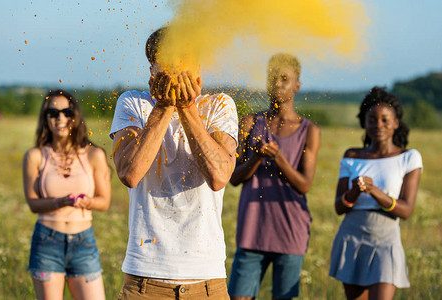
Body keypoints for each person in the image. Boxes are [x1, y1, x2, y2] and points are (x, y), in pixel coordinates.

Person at [110, 27, 238, 299]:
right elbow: (130, 173)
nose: (177, 74)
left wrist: (188, 107)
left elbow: (219, 176)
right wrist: (164, 107)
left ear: (199, 70)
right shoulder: (133, 103)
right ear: (152, 72)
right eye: (168, 65)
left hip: (207, 281)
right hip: (144, 280)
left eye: (184, 64)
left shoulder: (219, 105)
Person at [227, 53, 321, 300]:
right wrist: (256, 158)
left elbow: (304, 185)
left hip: (290, 231)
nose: (277, 84)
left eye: (284, 79)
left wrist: (279, 158)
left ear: (297, 85)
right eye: (272, 78)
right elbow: (234, 178)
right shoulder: (248, 122)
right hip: (252, 228)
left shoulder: (309, 131)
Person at [329, 87, 423, 300]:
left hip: (386, 238)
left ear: (396, 123)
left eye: (384, 120)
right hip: (351, 235)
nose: (378, 125)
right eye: (372, 119)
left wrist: (374, 192)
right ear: (365, 122)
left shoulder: (409, 158)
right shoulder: (352, 156)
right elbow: (338, 207)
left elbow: (406, 210)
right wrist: (354, 191)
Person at [23, 89, 111, 300]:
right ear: (46, 119)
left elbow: (104, 201)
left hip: (84, 243)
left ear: (75, 115)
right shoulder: (35, 156)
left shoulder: (93, 154)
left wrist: (87, 202)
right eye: (52, 113)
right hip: (46, 242)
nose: (60, 118)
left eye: (66, 112)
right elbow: (33, 204)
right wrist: (59, 202)